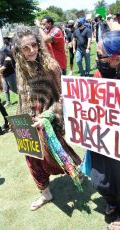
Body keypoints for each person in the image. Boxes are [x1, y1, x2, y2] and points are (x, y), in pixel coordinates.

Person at [12, 24, 82, 211]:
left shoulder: (51, 66)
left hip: (47, 123)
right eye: (26, 48)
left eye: (34, 45)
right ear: (18, 50)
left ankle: (77, 171)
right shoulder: (20, 67)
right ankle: (45, 194)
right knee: (32, 161)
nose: (31, 50)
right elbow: (22, 96)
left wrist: (48, 116)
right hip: (27, 125)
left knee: (58, 154)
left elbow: (62, 97)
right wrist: (18, 121)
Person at [82, 30, 120, 230]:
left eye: (100, 56)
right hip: (101, 140)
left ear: (116, 59)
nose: (96, 59)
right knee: (99, 181)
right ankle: (112, 201)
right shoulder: (98, 74)